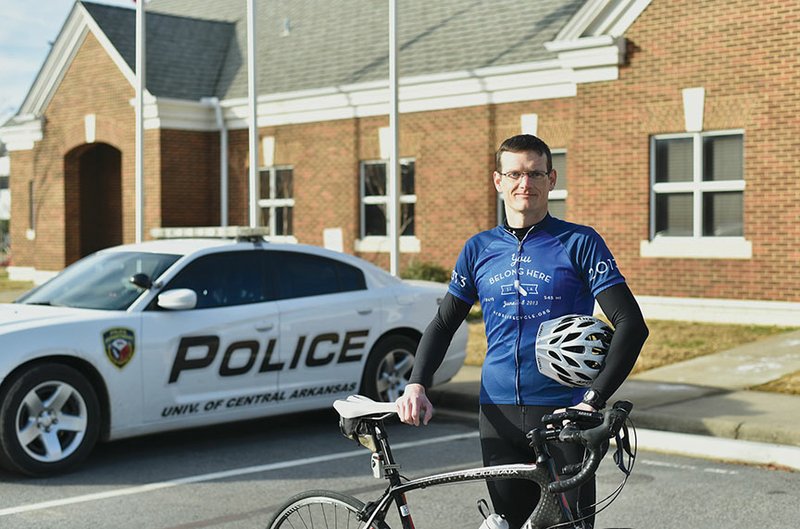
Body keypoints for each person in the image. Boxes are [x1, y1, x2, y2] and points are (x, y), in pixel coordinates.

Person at [396, 134, 649, 529]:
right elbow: (445, 322)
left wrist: (592, 399)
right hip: (497, 413)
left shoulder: (579, 242)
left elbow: (631, 325)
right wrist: (416, 383)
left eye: (534, 173)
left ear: (551, 179)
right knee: (511, 524)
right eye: (514, 173)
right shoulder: (478, 249)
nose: (523, 183)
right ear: (498, 181)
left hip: (565, 417)